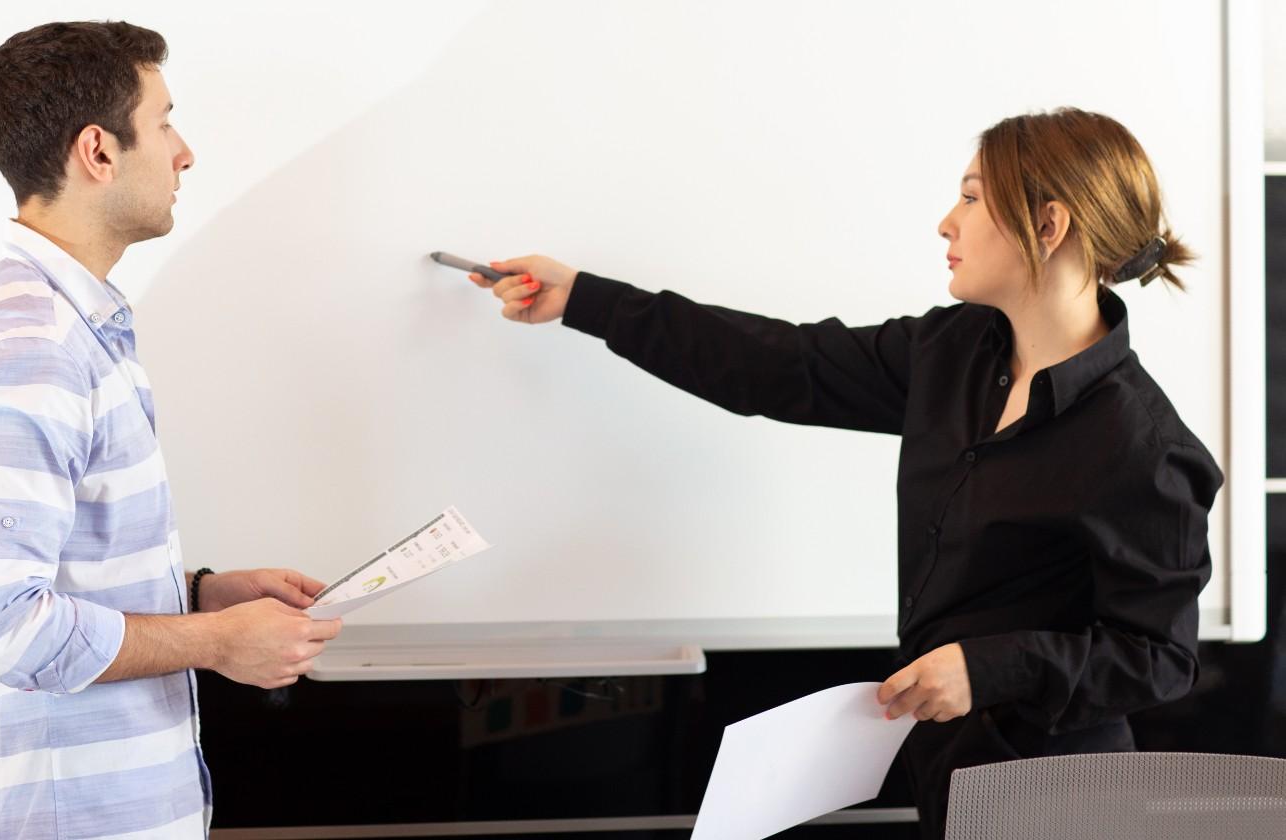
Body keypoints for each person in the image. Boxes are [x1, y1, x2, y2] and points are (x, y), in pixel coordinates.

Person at [470, 108, 1222, 838]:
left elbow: (1159, 658)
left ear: (1049, 225)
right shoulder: (954, 352)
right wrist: (587, 299)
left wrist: (987, 668)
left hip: (1060, 796)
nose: (946, 223)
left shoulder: (1143, 446)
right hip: (949, 768)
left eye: (968, 197)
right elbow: (777, 365)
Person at [0, 20, 341, 839]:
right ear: (98, 152)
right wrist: (214, 639)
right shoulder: (34, 347)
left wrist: (197, 595)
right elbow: (2, 625)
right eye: (165, 120)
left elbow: (55, 580)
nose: (185, 152)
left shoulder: (69, 325)